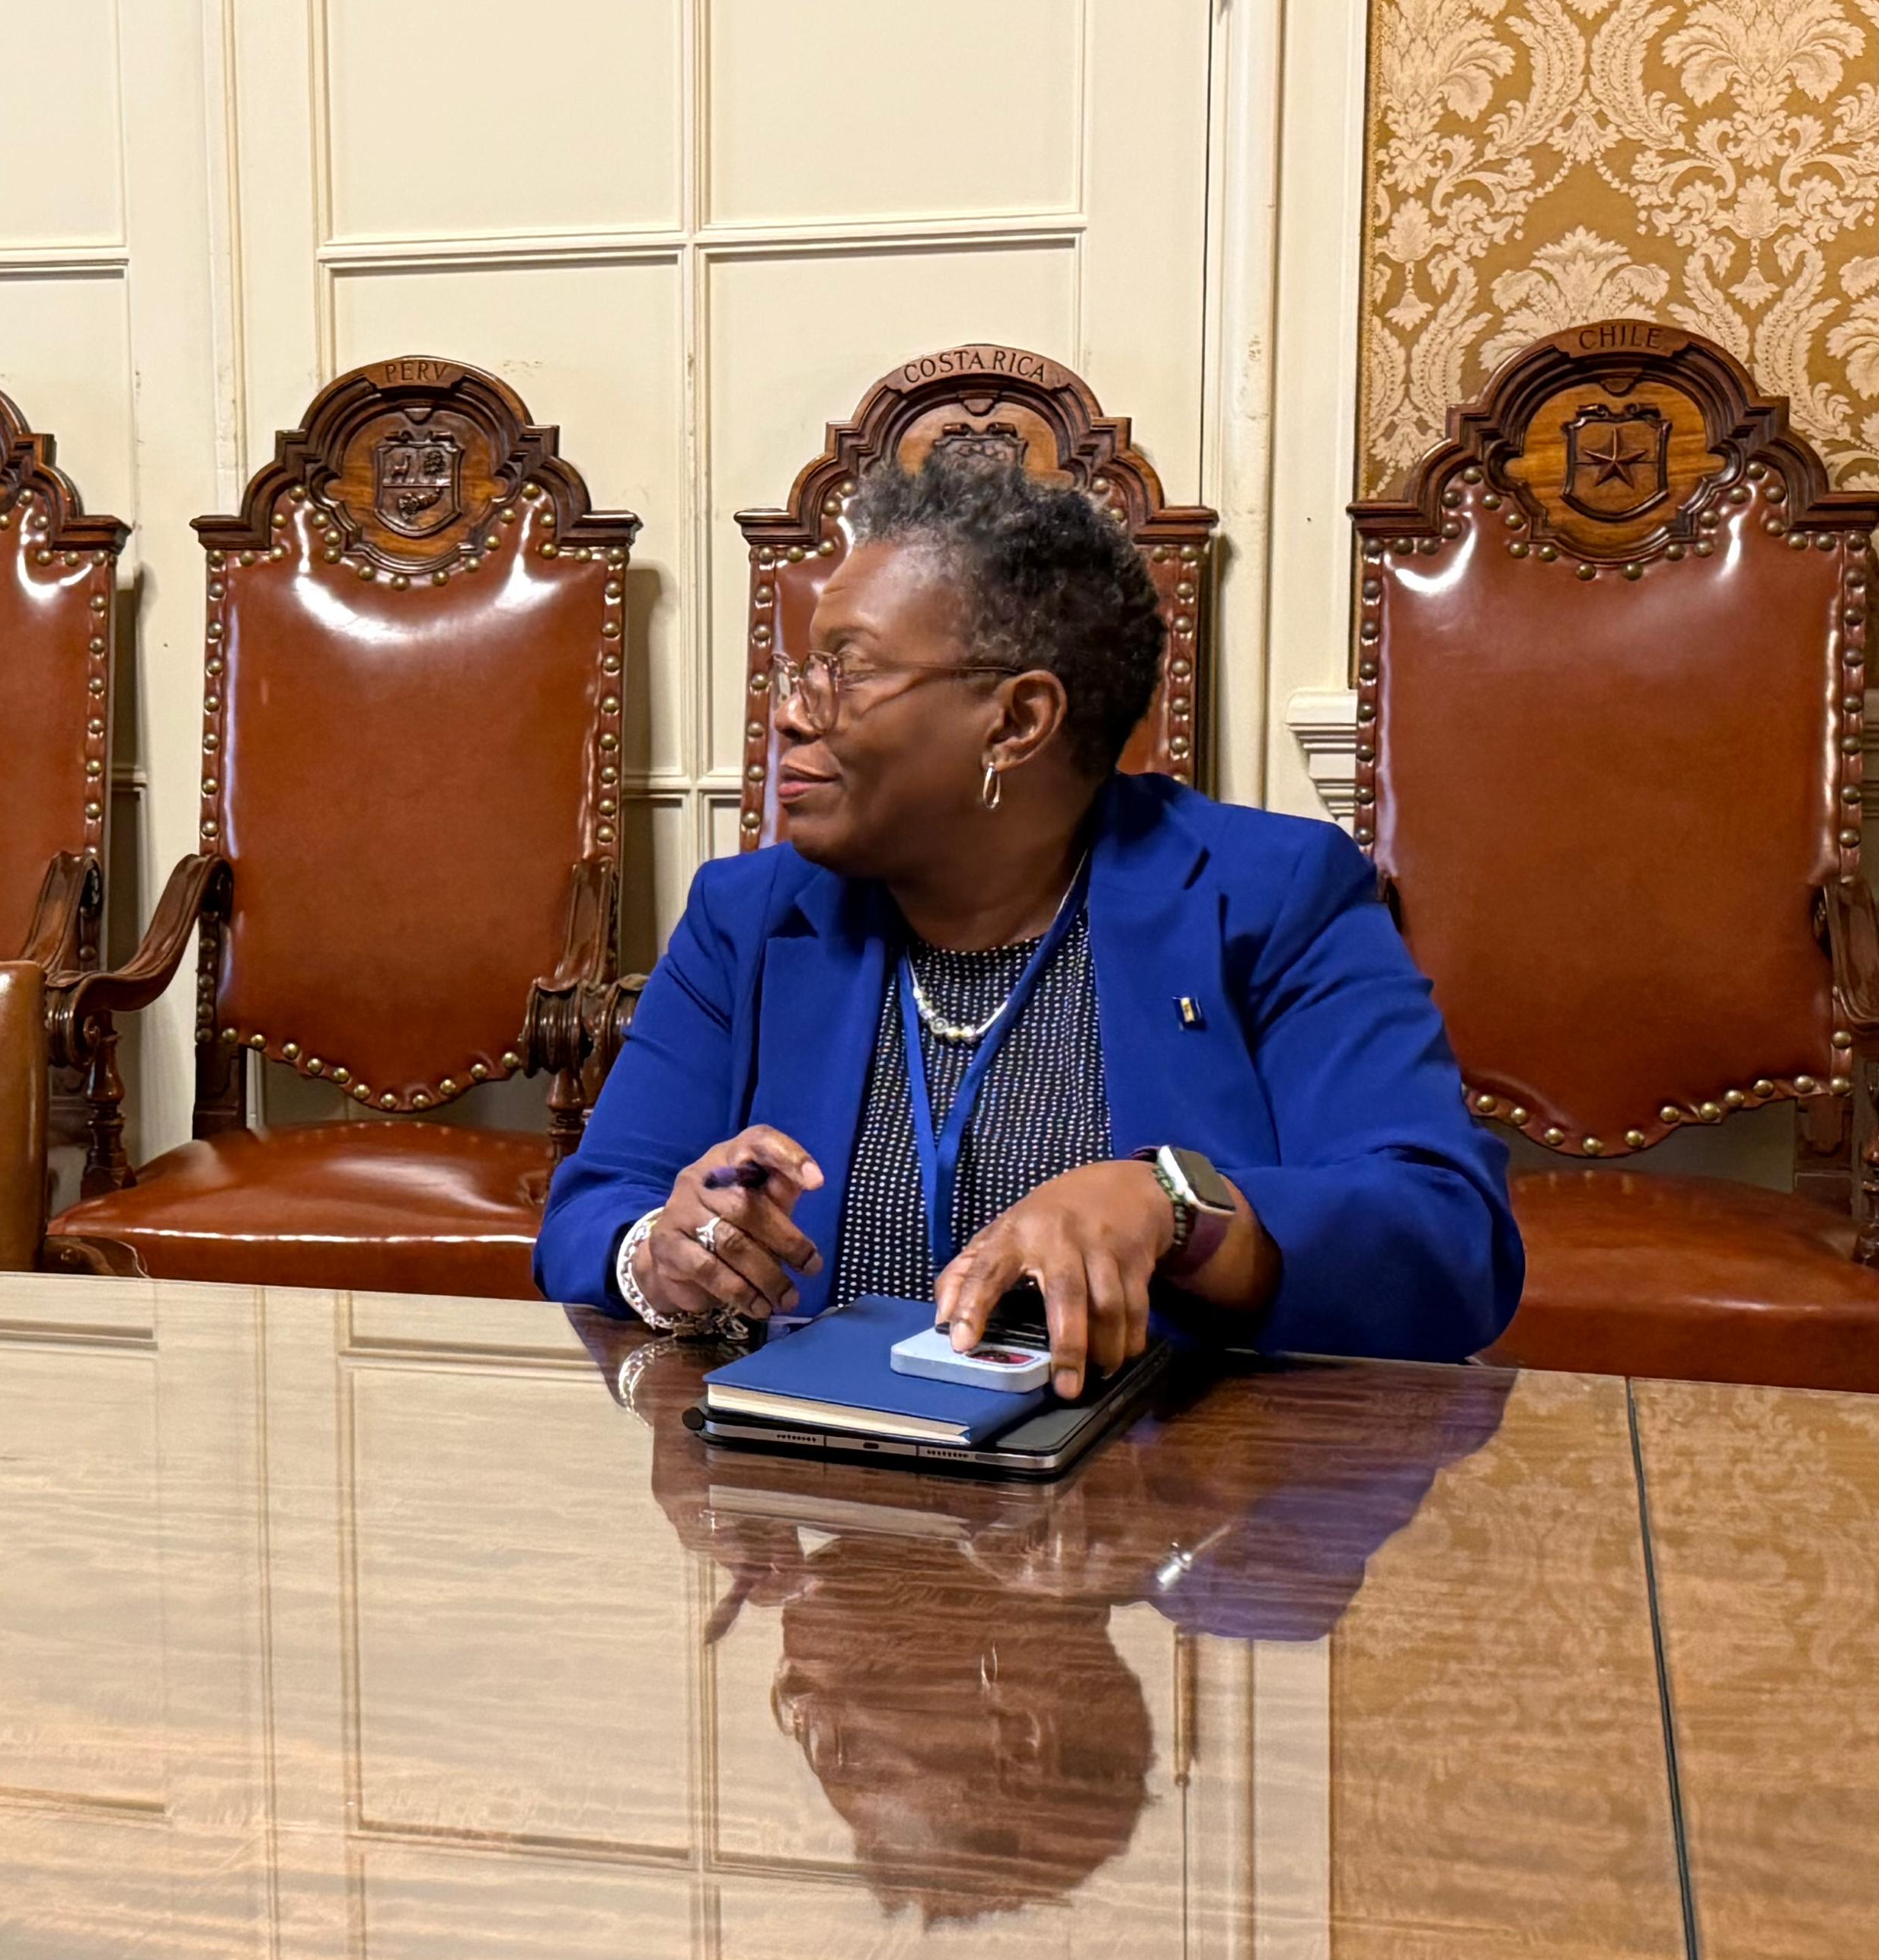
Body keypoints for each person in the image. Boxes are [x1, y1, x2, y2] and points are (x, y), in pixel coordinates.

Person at [536, 431, 1518, 1383]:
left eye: (851, 668)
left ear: (1016, 721)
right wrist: (659, 1257)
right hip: (817, 1508)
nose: (793, 709)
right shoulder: (745, 916)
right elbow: (592, 1211)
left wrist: (1178, 1207)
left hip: (1159, 1512)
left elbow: (1449, 1243)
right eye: (803, 670)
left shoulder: (1267, 895)